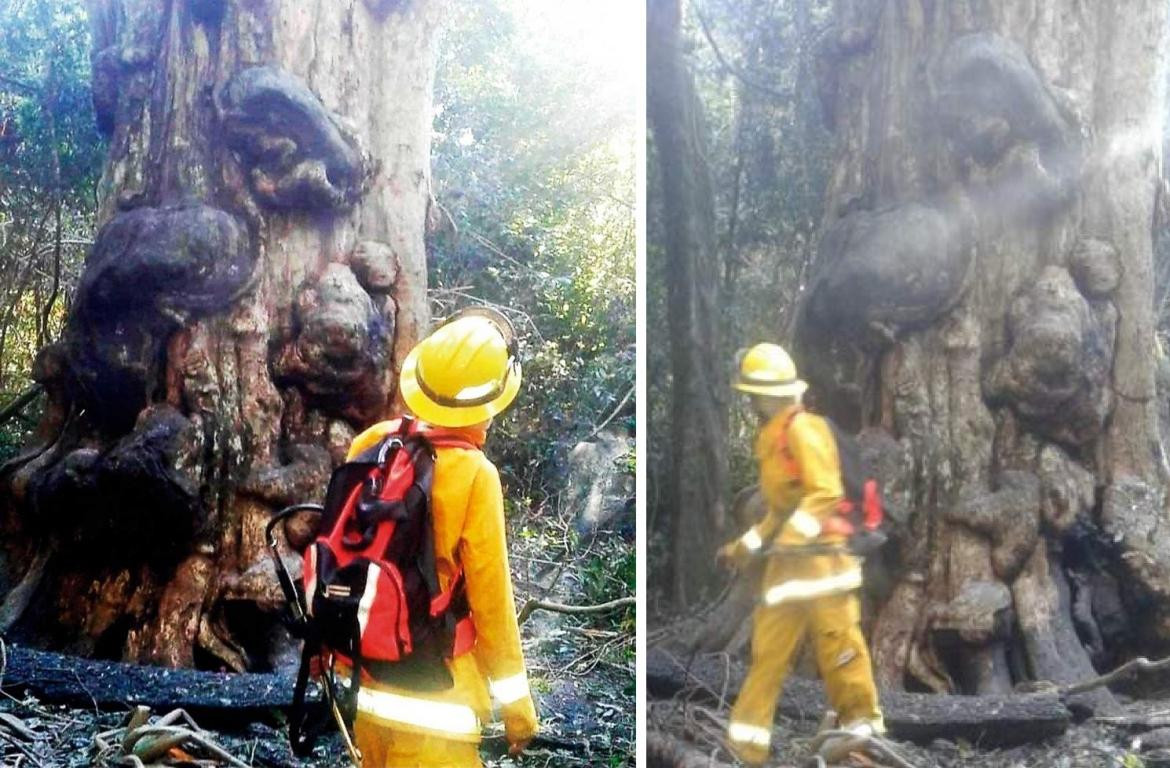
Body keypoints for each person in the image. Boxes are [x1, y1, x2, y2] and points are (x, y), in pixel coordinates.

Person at [344, 308, 539, 767]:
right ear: (490, 404)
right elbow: (492, 602)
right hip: (440, 704)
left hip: (367, 691)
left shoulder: (370, 444)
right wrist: (517, 708)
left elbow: (342, 551)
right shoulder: (475, 475)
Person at [717, 342, 883, 766]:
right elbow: (778, 512)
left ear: (770, 392)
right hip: (787, 576)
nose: (751, 403)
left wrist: (793, 538)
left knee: (841, 652)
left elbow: (824, 492)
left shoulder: (805, 429)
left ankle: (862, 737)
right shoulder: (772, 438)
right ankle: (744, 749)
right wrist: (743, 549)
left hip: (825, 567)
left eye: (754, 394)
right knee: (766, 658)